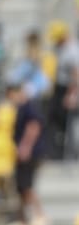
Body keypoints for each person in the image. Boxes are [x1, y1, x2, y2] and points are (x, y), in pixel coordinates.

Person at [5, 81, 49, 225]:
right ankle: (23, 219)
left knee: (27, 186)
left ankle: (39, 216)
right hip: (24, 153)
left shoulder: (29, 107)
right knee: (21, 187)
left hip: (29, 153)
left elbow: (33, 127)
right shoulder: (21, 108)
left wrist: (25, 147)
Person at [46, 20, 79, 160]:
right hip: (60, 89)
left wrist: (72, 94)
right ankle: (57, 152)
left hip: (68, 90)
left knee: (70, 123)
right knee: (55, 121)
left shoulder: (72, 51)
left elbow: (76, 74)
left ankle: (71, 155)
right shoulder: (62, 49)